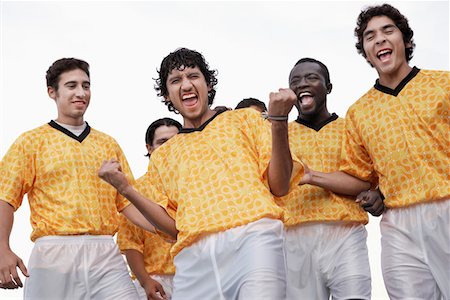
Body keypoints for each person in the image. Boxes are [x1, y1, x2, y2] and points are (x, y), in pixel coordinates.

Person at [98, 47, 303, 300]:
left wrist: (279, 121)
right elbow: (173, 230)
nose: (186, 85)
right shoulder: (162, 156)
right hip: (193, 258)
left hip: (254, 238)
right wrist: (125, 188)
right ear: (166, 95)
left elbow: (280, 186)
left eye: (193, 76)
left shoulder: (245, 120)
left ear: (208, 83)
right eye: (175, 80)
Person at [301, 4, 449, 299]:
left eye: (388, 30)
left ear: (405, 41)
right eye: (370, 36)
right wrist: (374, 193)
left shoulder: (444, 84)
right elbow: (361, 175)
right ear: (366, 53)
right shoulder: (359, 112)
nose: (379, 39)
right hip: (398, 226)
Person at [0, 58, 155, 299]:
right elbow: (5, 198)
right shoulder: (31, 142)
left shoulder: (108, 144)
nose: (81, 92)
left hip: (105, 255)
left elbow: (126, 203)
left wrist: (170, 229)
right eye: (71, 85)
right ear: (52, 92)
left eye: (86, 85)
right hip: (53, 254)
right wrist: (2, 249)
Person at [279, 57, 383, 299]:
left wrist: (311, 176)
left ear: (328, 87)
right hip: (295, 235)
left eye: (311, 78)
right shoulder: (279, 134)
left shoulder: (350, 128)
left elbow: (365, 180)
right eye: (295, 81)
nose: (302, 83)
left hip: (345, 232)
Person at [118, 117, 182, 300]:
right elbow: (130, 243)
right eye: (162, 142)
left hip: (195, 274)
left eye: (175, 141)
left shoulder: (194, 182)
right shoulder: (135, 190)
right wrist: (146, 281)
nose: (169, 147)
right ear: (149, 148)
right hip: (155, 280)